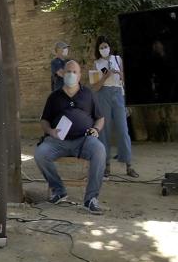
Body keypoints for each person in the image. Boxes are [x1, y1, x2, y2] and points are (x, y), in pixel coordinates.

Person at [34, 60, 107, 214]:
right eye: (68, 71)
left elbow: (100, 118)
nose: (71, 75)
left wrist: (96, 129)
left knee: (99, 150)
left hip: (84, 140)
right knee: (40, 153)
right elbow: (44, 120)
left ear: (80, 75)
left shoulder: (88, 94)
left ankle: (90, 199)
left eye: (74, 72)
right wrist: (50, 131)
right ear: (63, 74)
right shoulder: (54, 97)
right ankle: (59, 190)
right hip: (58, 141)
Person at [90, 36, 137, 178]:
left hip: (117, 94)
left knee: (123, 130)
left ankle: (129, 165)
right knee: (104, 131)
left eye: (106, 46)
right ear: (98, 49)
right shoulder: (96, 64)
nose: (104, 49)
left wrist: (118, 73)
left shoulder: (117, 59)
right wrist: (104, 77)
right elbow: (95, 87)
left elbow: (125, 78)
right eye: (101, 47)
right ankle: (106, 166)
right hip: (103, 95)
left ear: (110, 46)